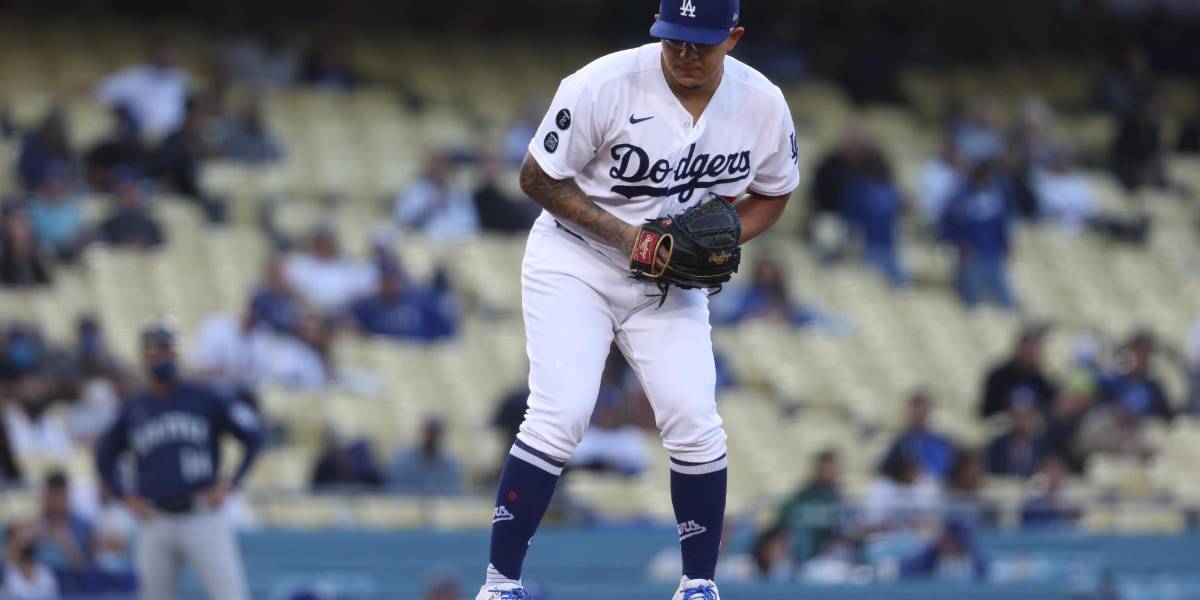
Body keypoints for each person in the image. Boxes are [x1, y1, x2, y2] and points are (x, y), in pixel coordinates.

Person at [476, 1, 801, 598]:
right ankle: (499, 585)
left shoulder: (762, 103)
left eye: (701, 42)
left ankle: (698, 584)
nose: (685, 54)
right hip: (575, 259)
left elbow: (774, 192)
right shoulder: (603, 84)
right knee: (560, 414)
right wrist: (629, 238)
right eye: (674, 39)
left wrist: (720, 242)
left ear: (733, 37)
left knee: (694, 420)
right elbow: (535, 177)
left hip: (669, 276)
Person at [94, 324, 262, 600]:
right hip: (155, 518)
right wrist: (125, 496)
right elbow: (104, 456)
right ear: (145, 357)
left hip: (202, 515)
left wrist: (232, 484)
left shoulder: (205, 398)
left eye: (167, 350)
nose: (162, 357)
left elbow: (253, 436)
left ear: (176, 354)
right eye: (155, 351)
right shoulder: (135, 407)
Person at [939, 159, 1016, 310]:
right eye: (986, 176)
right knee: (972, 294)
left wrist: (1006, 242)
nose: (988, 180)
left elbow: (1002, 223)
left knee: (1004, 293)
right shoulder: (961, 197)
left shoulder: (996, 196)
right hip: (971, 252)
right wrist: (958, 242)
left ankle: (1008, 312)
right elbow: (949, 223)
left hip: (993, 251)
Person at [840, 150, 909, 287]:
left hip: (888, 245)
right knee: (871, 283)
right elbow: (849, 217)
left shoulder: (889, 189)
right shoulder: (857, 189)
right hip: (866, 245)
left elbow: (898, 212)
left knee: (902, 282)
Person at [95, 40, 190, 137]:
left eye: (170, 55)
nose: (166, 59)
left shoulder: (180, 79)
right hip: (138, 134)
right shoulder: (136, 76)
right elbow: (102, 91)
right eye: (163, 55)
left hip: (172, 135)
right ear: (153, 55)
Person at [284, 226, 377, 315]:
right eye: (320, 243)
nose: (324, 247)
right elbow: (291, 288)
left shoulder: (346, 267)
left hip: (340, 313)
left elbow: (356, 292)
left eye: (327, 243)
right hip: (306, 311)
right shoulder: (300, 265)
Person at [775, 450, 844, 562]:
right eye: (824, 469)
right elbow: (785, 515)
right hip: (802, 551)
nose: (829, 473)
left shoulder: (838, 497)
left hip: (827, 553)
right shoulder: (804, 494)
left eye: (832, 469)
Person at [394, 153, 481, 243]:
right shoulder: (415, 190)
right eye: (435, 167)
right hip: (423, 241)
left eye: (443, 167)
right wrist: (429, 205)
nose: (439, 171)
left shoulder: (459, 192)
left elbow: (471, 222)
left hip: (456, 242)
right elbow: (404, 219)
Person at [980, 325, 1057, 418]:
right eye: (1028, 348)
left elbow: (1049, 411)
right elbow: (987, 411)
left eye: (1035, 349)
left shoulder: (1042, 381)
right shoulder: (998, 377)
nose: (1031, 353)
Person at [879, 392, 957, 480]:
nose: (919, 414)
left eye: (923, 410)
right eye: (915, 410)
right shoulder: (900, 443)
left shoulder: (943, 444)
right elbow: (886, 472)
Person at [1102, 330, 1173, 421]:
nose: (1141, 358)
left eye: (1145, 355)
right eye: (1137, 352)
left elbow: (1166, 418)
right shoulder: (1111, 382)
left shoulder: (1153, 388)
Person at [36, 471, 94, 577]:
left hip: (73, 583)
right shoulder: (34, 527)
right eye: (51, 496)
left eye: (59, 496)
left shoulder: (84, 527)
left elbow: (89, 568)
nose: (55, 501)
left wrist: (68, 545)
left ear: (67, 496)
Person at [389, 416, 465, 495]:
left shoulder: (450, 465)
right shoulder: (404, 462)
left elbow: (454, 493)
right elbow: (396, 490)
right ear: (424, 432)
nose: (433, 436)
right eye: (430, 431)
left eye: (436, 432)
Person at [27, 166, 88, 262]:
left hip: (70, 251)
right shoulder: (34, 207)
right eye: (51, 185)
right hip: (42, 253)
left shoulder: (71, 207)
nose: (55, 188)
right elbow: (33, 235)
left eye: (60, 184)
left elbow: (79, 233)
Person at [473, 155, 539, 234]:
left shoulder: (509, 198)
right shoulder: (480, 197)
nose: (491, 168)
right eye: (487, 163)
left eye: (496, 163)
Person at [984, 398, 1046, 478]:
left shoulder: (1038, 444)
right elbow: (991, 471)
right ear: (1010, 416)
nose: (1021, 420)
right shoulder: (998, 445)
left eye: (1025, 416)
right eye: (1017, 416)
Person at [98, 175, 166, 249]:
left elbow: (158, 243)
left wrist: (144, 244)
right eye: (124, 194)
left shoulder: (148, 222)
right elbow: (104, 242)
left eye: (131, 194)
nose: (128, 198)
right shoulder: (111, 223)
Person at [1, 521, 60, 600]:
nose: (32, 535)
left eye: (33, 530)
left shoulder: (46, 567)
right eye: (25, 530)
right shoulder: (4, 568)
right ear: (11, 536)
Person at [1019, 455, 1080, 528]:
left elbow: (1074, 523)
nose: (1053, 475)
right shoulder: (1033, 498)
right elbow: (1026, 522)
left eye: (1057, 471)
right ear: (1043, 473)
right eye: (1050, 470)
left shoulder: (1071, 499)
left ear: (1063, 474)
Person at [1, 205, 52, 288]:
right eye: (17, 220)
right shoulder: (3, 256)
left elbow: (48, 284)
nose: (23, 226)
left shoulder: (42, 255)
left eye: (26, 220)